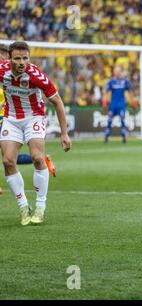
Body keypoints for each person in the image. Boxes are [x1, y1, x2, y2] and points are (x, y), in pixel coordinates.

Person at [0, 41, 72, 225]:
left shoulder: (36, 76)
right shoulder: (2, 70)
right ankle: (24, 207)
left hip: (34, 117)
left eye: (25, 58)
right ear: (9, 59)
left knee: (37, 158)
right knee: (8, 161)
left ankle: (40, 207)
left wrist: (64, 133)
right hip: (11, 117)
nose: (22, 62)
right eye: (17, 58)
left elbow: (58, 102)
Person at [0, 44, 56, 195]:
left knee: (9, 158)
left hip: (11, 116)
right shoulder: (3, 73)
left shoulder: (28, 74)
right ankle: (42, 158)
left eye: (3, 55)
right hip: (10, 117)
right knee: (8, 159)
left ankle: (41, 159)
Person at [102, 65, 131, 144]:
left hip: (121, 105)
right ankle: (106, 136)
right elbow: (105, 91)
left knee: (122, 119)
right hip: (113, 105)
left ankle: (124, 136)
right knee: (109, 120)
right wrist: (104, 102)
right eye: (116, 71)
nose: (117, 73)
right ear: (114, 72)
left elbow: (130, 91)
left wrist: (132, 101)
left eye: (118, 71)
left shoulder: (124, 81)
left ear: (120, 72)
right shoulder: (111, 82)